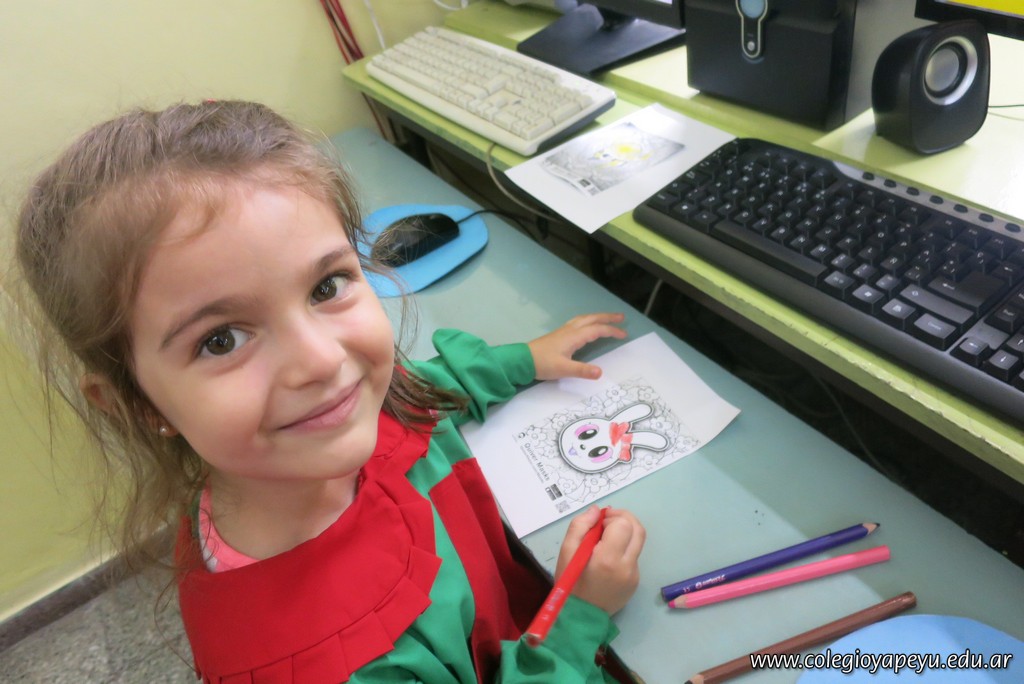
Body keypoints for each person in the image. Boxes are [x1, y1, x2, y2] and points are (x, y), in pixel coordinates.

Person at [14, 100, 646, 682]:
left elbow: (419, 394)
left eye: (326, 287)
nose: (322, 361)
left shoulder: (305, 434)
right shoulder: (338, 666)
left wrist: (523, 361)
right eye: (221, 340)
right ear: (136, 404)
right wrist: (580, 618)